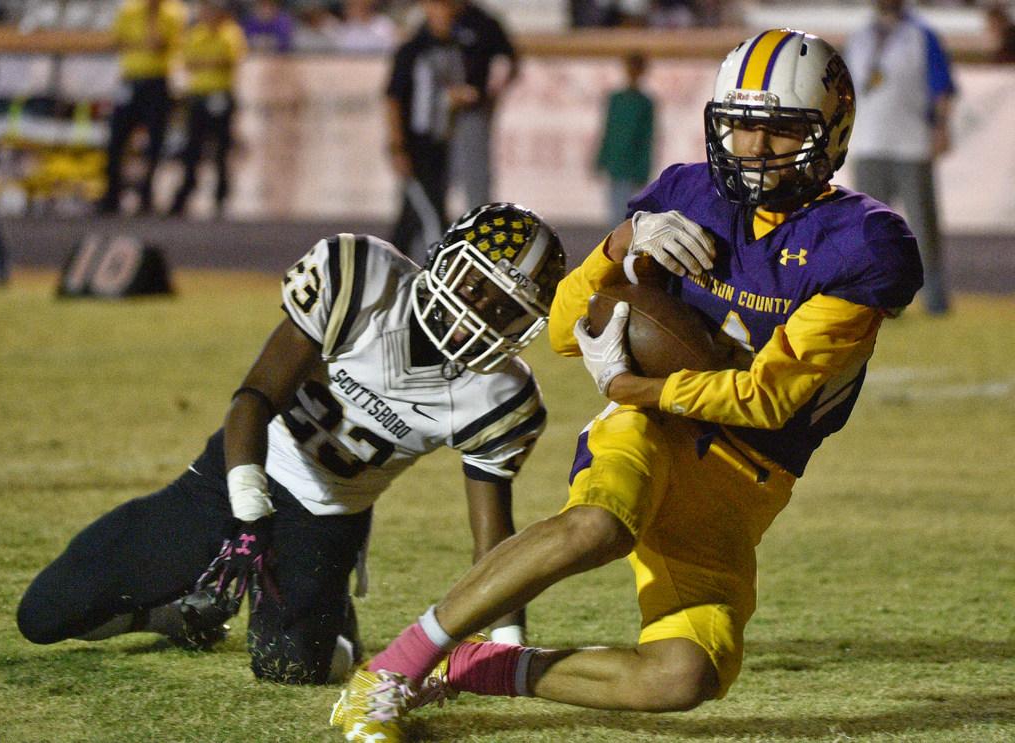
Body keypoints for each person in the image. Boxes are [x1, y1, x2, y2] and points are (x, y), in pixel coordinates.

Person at [331, 29, 924, 741]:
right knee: (599, 524)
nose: (753, 147)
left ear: (830, 134)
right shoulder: (687, 195)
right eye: (739, 125)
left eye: (779, 130)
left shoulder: (863, 243)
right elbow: (559, 328)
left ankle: (473, 667)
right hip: (655, 431)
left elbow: (770, 398)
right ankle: (391, 670)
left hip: (746, 478)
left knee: (686, 675)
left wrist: (628, 386)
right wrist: (619, 245)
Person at [16, 202, 567, 686]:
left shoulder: (501, 396)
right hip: (236, 472)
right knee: (46, 614)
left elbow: (493, 542)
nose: (481, 313)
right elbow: (254, 397)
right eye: (478, 285)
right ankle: (176, 616)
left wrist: (507, 639)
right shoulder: (361, 277)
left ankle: (335, 622)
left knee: (295, 667)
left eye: (506, 308)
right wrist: (248, 509)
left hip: (325, 517)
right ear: (444, 257)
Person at [845, 0, 957, 315]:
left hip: (912, 145)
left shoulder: (922, 35)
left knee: (923, 226)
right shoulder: (859, 37)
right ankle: (880, 300)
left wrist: (941, 128)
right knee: (871, 230)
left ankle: (935, 301)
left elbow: (942, 88)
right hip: (868, 145)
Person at [385, 0, 476, 263]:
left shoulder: (454, 48)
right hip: (416, 145)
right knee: (433, 217)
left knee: (411, 218)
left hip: (439, 144)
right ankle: (440, 272)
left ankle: (385, 269)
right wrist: (398, 147)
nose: (444, 15)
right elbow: (393, 98)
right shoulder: (412, 51)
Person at [98, 0, 187, 214]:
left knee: (155, 141)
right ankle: (112, 195)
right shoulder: (129, 9)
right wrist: (142, 44)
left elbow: (161, 44)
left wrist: (151, 23)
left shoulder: (173, 12)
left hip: (157, 81)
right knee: (116, 139)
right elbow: (116, 41)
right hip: (131, 80)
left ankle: (146, 195)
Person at [168, 0, 247, 217]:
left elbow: (227, 60)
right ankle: (185, 193)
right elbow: (188, 61)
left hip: (220, 96)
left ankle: (220, 197)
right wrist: (210, 62)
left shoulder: (230, 33)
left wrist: (205, 62)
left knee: (221, 150)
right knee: (192, 148)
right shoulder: (196, 33)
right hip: (199, 97)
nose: (208, 13)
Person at [449, 0, 519, 212]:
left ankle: (479, 227)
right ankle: (431, 234)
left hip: (472, 109)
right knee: (434, 176)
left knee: (476, 175)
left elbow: (510, 57)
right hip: (435, 112)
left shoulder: (483, 21)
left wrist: (495, 92)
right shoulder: (434, 21)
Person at [594, 52, 655, 227]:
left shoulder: (645, 103)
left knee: (625, 212)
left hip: (631, 165)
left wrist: (643, 168)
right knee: (615, 211)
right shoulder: (616, 99)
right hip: (616, 162)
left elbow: (647, 138)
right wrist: (601, 158)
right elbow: (608, 130)